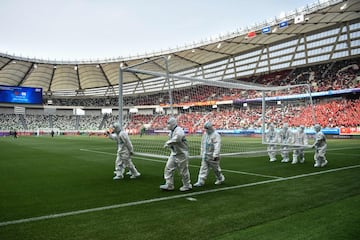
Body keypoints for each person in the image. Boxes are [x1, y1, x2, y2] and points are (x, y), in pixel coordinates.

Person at [160, 117, 192, 191]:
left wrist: (168, 143)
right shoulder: (171, 132)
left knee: (183, 171)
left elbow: (177, 138)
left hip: (182, 154)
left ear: (173, 123)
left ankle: (187, 185)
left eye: (169, 123)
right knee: (168, 168)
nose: (167, 125)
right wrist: (170, 145)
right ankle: (169, 184)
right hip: (174, 153)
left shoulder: (179, 130)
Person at [194, 121, 225, 187]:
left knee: (216, 169)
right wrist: (202, 153)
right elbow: (203, 144)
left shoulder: (216, 135)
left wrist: (215, 155)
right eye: (205, 128)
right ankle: (200, 181)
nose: (206, 130)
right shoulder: (205, 134)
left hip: (212, 156)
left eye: (207, 128)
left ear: (210, 128)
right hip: (205, 155)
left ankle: (220, 178)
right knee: (203, 168)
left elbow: (217, 145)